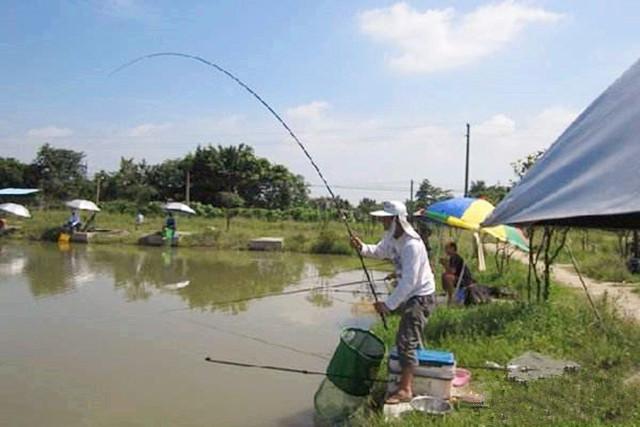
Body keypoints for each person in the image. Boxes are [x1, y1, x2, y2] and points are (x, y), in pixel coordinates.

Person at [350, 200, 436, 404]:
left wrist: (388, 304)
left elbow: (410, 281)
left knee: (406, 340)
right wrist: (361, 247)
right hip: (410, 294)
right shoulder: (392, 237)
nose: (381, 221)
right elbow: (379, 251)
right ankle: (418, 372)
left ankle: (405, 389)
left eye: (385, 218)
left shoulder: (411, 244)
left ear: (397, 219)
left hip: (420, 296)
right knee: (411, 336)